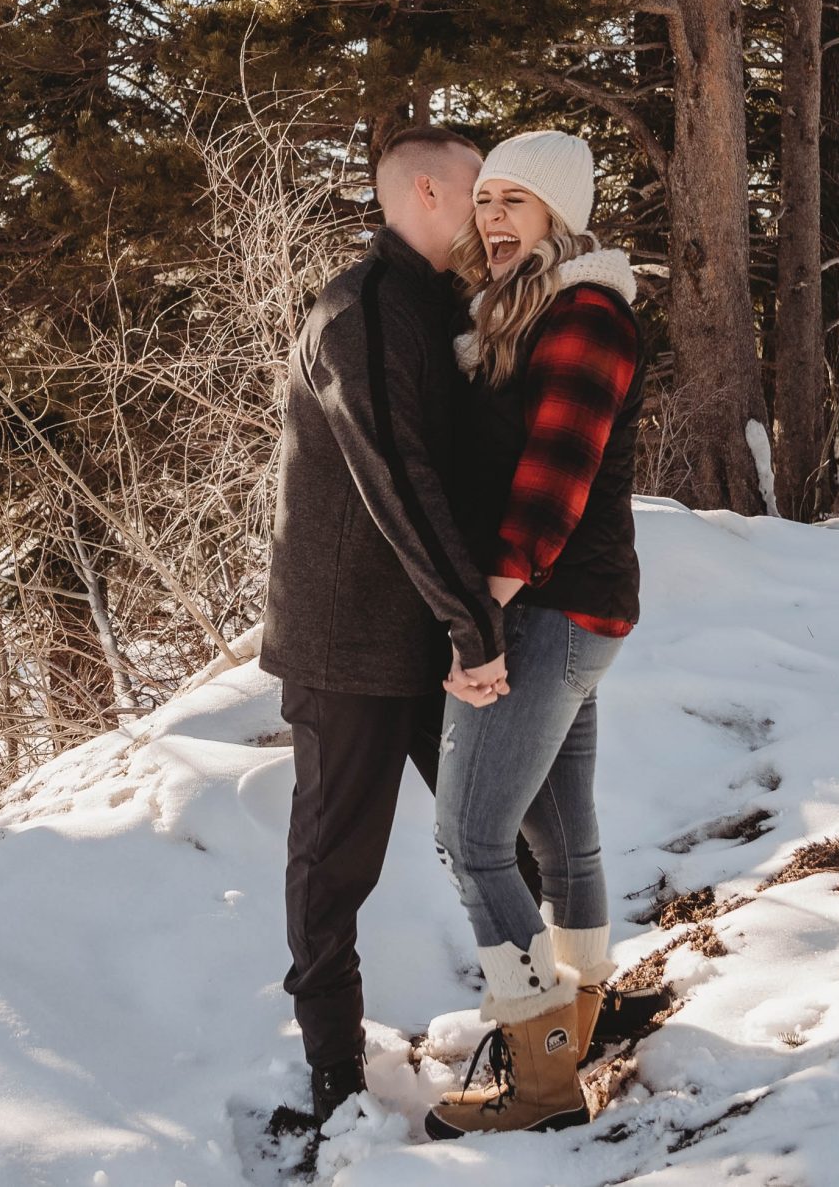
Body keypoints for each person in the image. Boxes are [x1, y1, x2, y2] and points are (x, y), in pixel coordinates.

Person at [259, 125, 513, 1139]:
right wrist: (472, 621)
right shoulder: (357, 312)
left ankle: (545, 1022)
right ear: (422, 191)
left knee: (504, 829)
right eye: (476, 192)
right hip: (347, 646)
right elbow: (395, 478)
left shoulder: (435, 306)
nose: (490, 212)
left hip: (428, 639)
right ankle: (332, 1074)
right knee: (335, 863)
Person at [424, 129, 652, 1139]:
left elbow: (552, 488)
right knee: (560, 834)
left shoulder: (587, 316)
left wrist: (481, 621)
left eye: (515, 200)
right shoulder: (532, 312)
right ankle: (577, 1024)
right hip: (572, 609)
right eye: (486, 200)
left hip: (548, 607)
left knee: (471, 839)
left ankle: (541, 1074)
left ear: (559, 212)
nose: (492, 217)